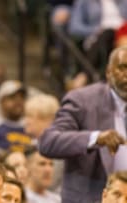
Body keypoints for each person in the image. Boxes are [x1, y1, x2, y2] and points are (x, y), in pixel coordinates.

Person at [39, 46, 127, 202]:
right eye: (123, 67)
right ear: (108, 72)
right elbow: (48, 142)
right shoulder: (83, 100)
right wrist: (96, 138)